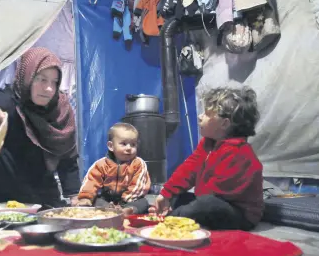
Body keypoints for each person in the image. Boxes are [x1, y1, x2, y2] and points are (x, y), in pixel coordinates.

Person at [0, 47, 80, 207]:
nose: (49, 89)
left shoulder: (60, 111)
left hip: (40, 195)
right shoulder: (7, 100)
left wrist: (74, 195)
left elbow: (67, 157)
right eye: (41, 79)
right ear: (28, 76)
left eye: (54, 82)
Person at [151, 87, 264, 230]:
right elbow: (189, 169)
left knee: (205, 204)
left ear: (224, 124)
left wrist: (182, 212)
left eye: (207, 114)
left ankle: (168, 221)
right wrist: (166, 193)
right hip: (208, 200)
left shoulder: (239, 153)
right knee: (180, 198)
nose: (200, 116)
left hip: (238, 214)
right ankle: (162, 212)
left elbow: (213, 194)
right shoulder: (208, 142)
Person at [75, 122, 151, 215]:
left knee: (143, 202)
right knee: (95, 200)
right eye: (124, 144)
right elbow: (91, 181)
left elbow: (138, 186)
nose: (129, 148)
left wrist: (124, 203)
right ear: (111, 146)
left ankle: (127, 211)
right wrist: (85, 197)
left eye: (133, 144)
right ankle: (108, 209)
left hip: (129, 200)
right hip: (107, 199)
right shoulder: (101, 164)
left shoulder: (138, 163)